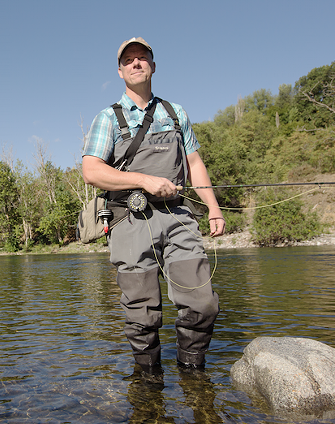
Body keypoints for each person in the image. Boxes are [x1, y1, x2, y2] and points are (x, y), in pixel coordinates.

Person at [82, 37, 225, 374]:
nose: (136, 63)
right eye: (129, 60)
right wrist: (144, 180)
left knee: (202, 303)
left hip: (179, 216)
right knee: (141, 311)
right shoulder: (107, 117)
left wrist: (214, 208)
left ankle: (192, 369)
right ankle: (148, 378)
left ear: (153, 65)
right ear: (120, 71)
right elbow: (91, 171)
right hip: (130, 220)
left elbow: (195, 163)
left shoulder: (176, 113)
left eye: (142, 58)